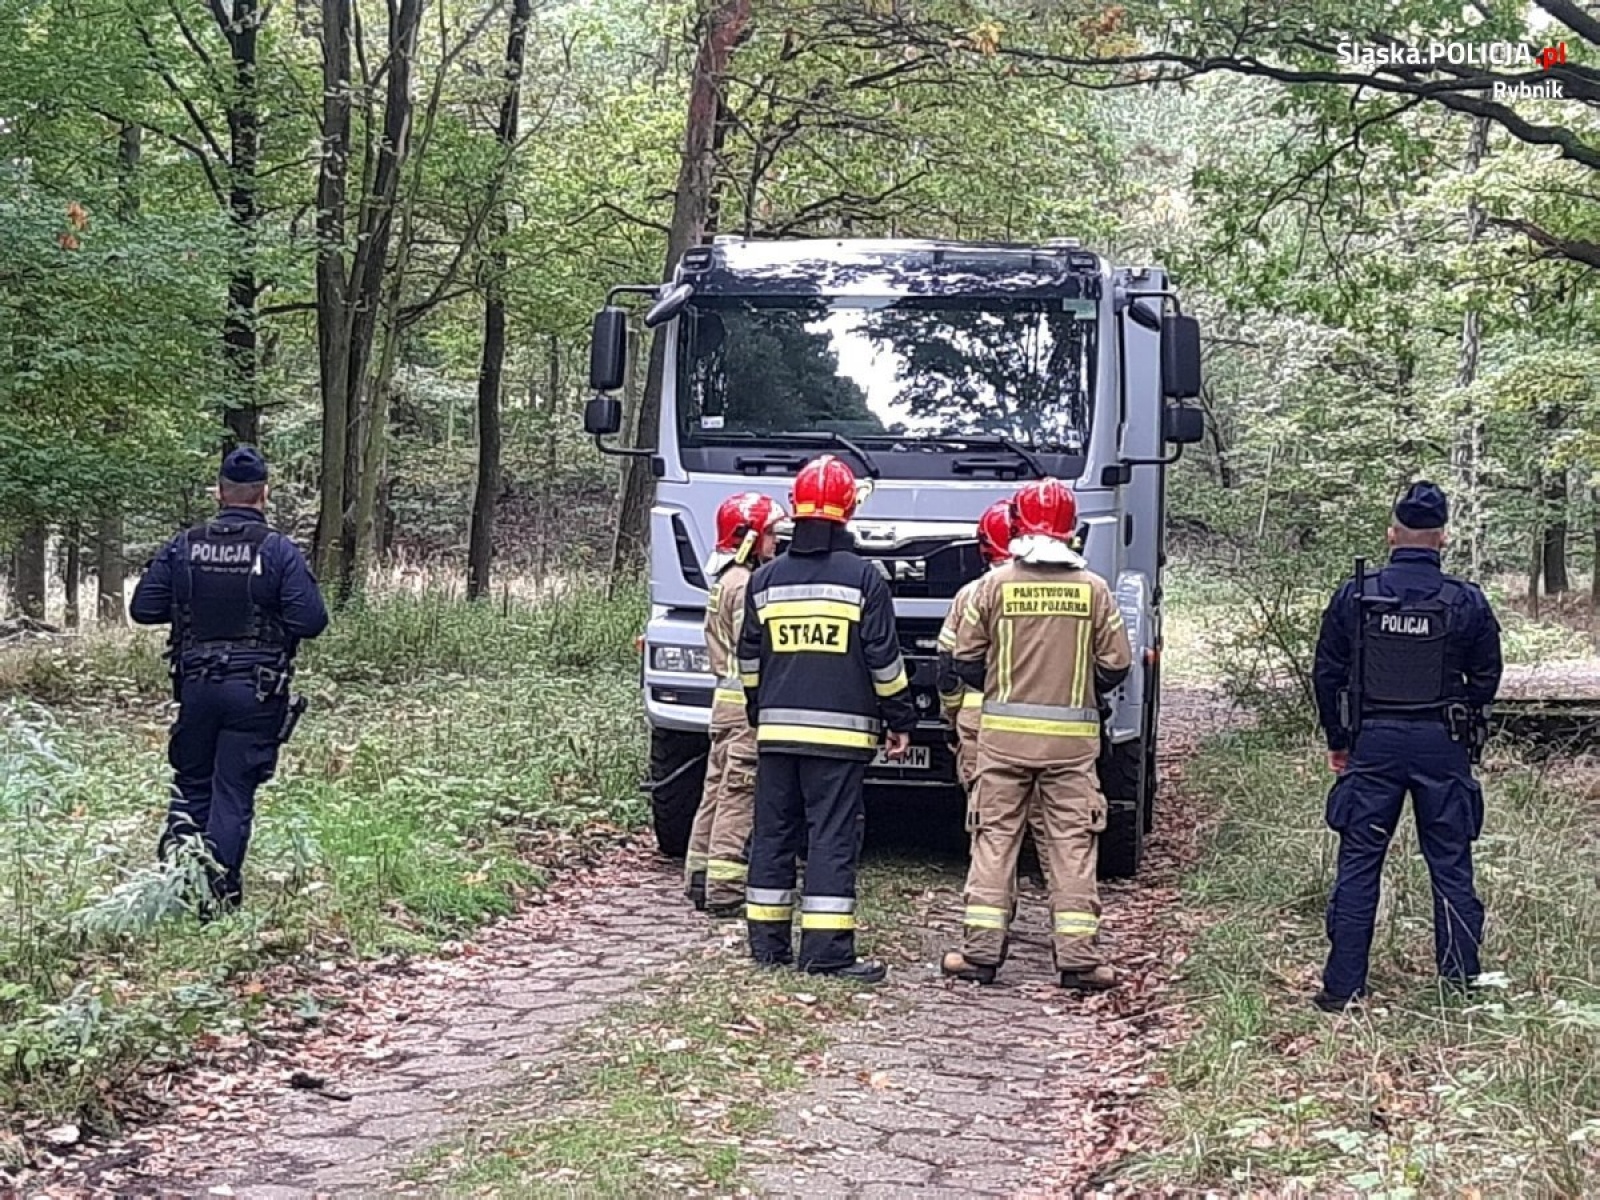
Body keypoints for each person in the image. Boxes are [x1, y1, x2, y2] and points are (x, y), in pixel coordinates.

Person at [1311, 480, 1503, 1012]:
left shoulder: (1358, 593)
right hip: (1442, 743)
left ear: (1393, 534)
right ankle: (1460, 985)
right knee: (1451, 865)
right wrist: (1466, 730)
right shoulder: (1465, 600)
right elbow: (1487, 675)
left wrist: (1339, 739)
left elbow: (1327, 672)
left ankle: (1343, 988)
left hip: (1372, 744)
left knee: (1359, 863)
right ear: (1441, 538)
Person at [940, 477, 1132, 992]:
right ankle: (1079, 960)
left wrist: (1005, 686)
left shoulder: (992, 586)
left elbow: (963, 660)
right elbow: (1117, 665)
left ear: (1019, 526)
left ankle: (979, 954)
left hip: (1001, 742)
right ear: (1072, 531)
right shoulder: (1094, 589)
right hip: (1071, 748)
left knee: (994, 840)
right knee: (1071, 844)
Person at [738, 454, 916, 982]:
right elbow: (885, 661)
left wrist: (759, 711)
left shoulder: (765, 580)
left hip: (775, 734)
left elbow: (749, 660)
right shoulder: (865, 579)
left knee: (772, 834)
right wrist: (899, 719)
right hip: (839, 740)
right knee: (830, 837)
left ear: (796, 511)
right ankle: (826, 952)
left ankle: (767, 946)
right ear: (847, 513)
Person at [131, 446, 329, 912]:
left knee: (192, 783)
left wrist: (192, 607)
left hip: (196, 685)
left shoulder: (185, 544)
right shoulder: (276, 549)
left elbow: (144, 609)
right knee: (232, 791)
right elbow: (311, 620)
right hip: (255, 691)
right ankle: (217, 902)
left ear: (220, 492)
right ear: (264, 494)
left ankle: (179, 888)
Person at [684, 491, 789, 917]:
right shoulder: (746, 585)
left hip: (723, 707)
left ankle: (698, 875)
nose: (775, 543)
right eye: (768, 534)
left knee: (714, 790)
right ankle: (725, 889)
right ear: (749, 538)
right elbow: (753, 650)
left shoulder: (724, 580)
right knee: (739, 795)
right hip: (745, 710)